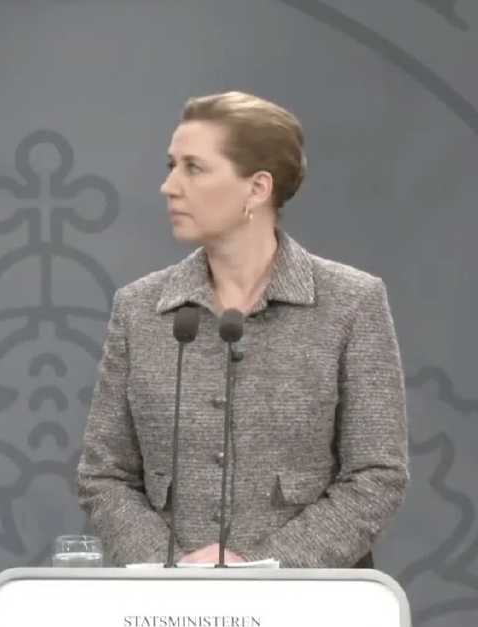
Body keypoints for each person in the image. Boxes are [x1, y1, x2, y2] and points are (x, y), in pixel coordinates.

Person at [77, 91, 408, 568]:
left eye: (194, 168)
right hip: (170, 604)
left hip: (308, 603)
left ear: (257, 188)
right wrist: (173, 570)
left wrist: (265, 571)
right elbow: (104, 476)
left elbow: (377, 474)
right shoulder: (139, 309)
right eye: (171, 166)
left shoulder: (351, 302)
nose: (169, 186)